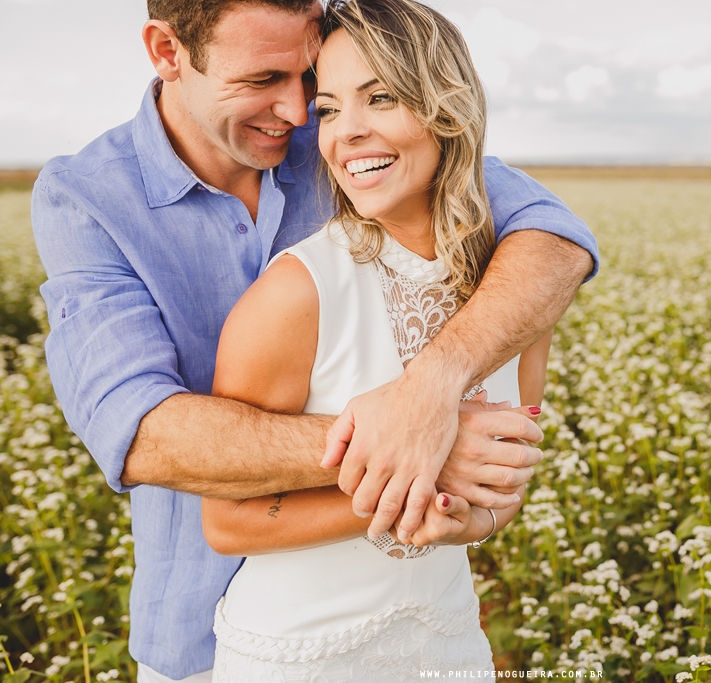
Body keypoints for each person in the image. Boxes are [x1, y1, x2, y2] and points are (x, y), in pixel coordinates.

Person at [30, 0, 597, 680]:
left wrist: (434, 389)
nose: (299, 112)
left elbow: (553, 242)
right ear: (166, 51)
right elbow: (142, 432)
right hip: (207, 639)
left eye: (307, 79)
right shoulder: (86, 196)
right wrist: (415, 447)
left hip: (430, 628)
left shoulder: (350, 140)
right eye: (263, 78)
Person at [201, 2, 543, 677]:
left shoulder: (517, 293)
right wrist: (416, 478)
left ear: (447, 107)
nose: (346, 132)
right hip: (301, 656)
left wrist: (474, 520)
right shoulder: (296, 293)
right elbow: (228, 522)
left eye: (380, 97)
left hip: (448, 643)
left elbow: (504, 481)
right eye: (328, 110)